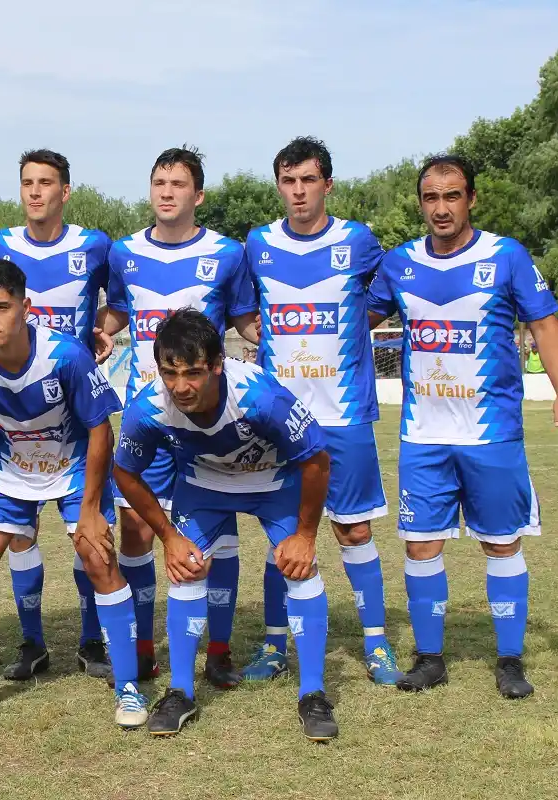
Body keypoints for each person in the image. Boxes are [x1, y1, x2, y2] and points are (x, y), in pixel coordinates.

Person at [366, 153, 558, 699]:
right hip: (424, 436)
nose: (441, 208)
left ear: (471, 199)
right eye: (431, 197)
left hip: (492, 434)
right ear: (421, 203)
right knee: (420, 546)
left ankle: (509, 660)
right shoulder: (399, 263)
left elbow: (545, 325)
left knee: (502, 544)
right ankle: (429, 658)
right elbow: (354, 319)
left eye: (452, 195)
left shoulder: (505, 256)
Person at [0, 259, 148, 729]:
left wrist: (90, 509)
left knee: (98, 557)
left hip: (72, 466)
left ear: (25, 307)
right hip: (7, 469)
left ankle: (129, 688)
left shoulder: (65, 355)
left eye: (1, 307)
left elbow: (100, 430)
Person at [113, 309, 335, 739]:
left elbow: (316, 459)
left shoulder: (260, 397)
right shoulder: (148, 407)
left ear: (217, 365)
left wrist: (306, 536)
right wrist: (169, 537)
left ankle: (313, 693)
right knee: (187, 569)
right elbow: (125, 472)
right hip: (204, 484)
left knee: (300, 570)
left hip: (272, 481)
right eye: (169, 373)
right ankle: (180, 691)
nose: (180, 386)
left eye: (193, 373)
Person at [237, 137, 398, 684]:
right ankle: (273, 644)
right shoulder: (258, 244)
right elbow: (243, 310)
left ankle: (376, 643)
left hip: (344, 416)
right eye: (289, 181)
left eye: (308, 180)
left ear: (327, 184)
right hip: (277, 420)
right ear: (279, 186)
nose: (299, 191)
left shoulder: (358, 241)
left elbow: (385, 297)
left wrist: (352, 328)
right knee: (282, 533)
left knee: (353, 531)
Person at [96, 146, 255, 684]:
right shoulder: (124, 252)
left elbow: (245, 320)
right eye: (159, 183)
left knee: (218, 538)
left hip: (208, 420)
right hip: (148, 418)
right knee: (136, 531)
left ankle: (219, 650)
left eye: (178, 184)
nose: (167, 193)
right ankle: (143, 648)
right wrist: (99, 331)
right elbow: (119, 312)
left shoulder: (228, 253)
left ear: (198, 195)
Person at [0, 149, 114, 682]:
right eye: (28, 183)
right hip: (14, 415)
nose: (35, 192)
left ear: (65, 191)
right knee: (20, 535)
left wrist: (102, 330)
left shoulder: (94, 245)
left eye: (46, 183)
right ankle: (32, 641)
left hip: (73, 412)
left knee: (87, 532)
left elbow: (117, 303)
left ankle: (91, 640)